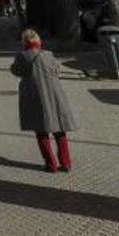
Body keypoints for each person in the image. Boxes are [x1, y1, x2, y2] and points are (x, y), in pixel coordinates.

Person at [10, 28, 77, 172]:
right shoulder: (48, 54)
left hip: (34, 97)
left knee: (41, 132)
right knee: (60, 130)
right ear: (38, 40)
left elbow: (15, 71)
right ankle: (66, 163)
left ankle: (51, 164)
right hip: (54, 96)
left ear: (24, 42)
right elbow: (57, 69)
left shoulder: (22, 56)